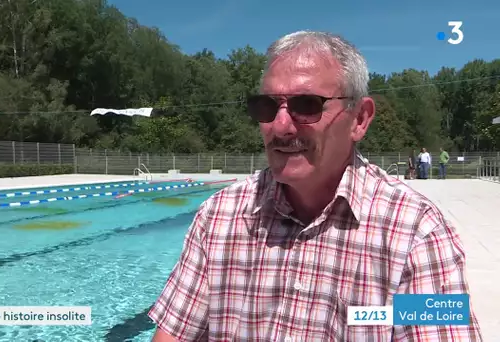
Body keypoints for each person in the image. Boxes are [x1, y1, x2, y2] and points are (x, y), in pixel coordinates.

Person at [148, 31, 481, 341]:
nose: (281, 126)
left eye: (306, 105)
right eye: (267, 106)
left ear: (360, 119)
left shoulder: (414, 232)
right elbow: (174, 333)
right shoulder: (219, 218)